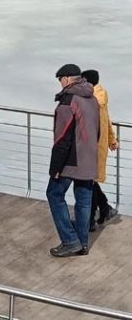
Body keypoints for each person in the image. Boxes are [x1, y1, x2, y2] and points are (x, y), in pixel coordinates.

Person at [47, 64, 100, 257]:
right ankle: (82, 243)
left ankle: (70, 241)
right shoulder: (92, 98)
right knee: (84, 200)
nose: (60, 83)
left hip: (71, 160)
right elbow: (98, 130)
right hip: (89, 157)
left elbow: (62, 138)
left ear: (67, 79)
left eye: (60, 79)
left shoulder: (68, 101)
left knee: (54, 194)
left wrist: (56, 168)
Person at [81, 69, 119, 230]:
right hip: (97, 145)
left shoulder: (91, 100)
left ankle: (90, 221)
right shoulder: (99, 97)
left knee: (88, 181)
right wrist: (111, 140)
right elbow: (107, 120)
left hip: (92, 146)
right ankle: (104, 208)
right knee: (90, 181)